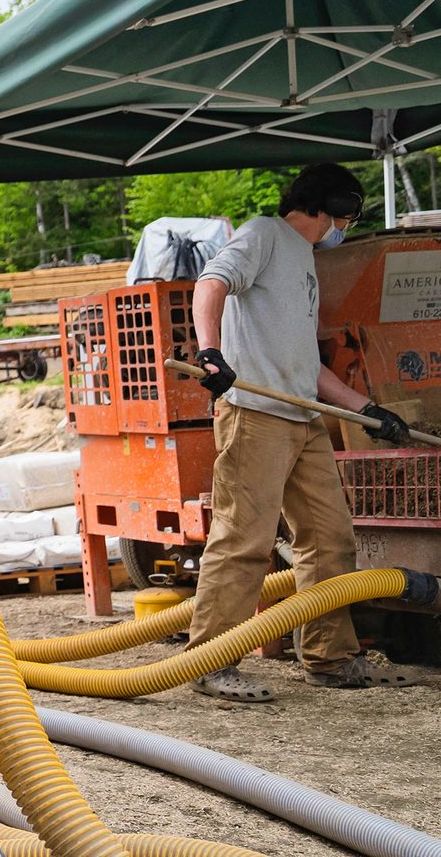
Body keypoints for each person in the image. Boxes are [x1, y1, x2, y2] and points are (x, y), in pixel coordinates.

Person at [188, 161, 417, 701]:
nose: (345, 226)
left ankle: (330, 657)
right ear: (333, 206)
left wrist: (369, 409)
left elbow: (307, 366)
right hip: (256, 412)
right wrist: (210, 351)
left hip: (302, 414)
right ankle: (211, 662)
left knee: (330, 540)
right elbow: (211, 282)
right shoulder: (265, 234)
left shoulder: (306, 260)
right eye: (346, 216)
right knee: (244, 538)